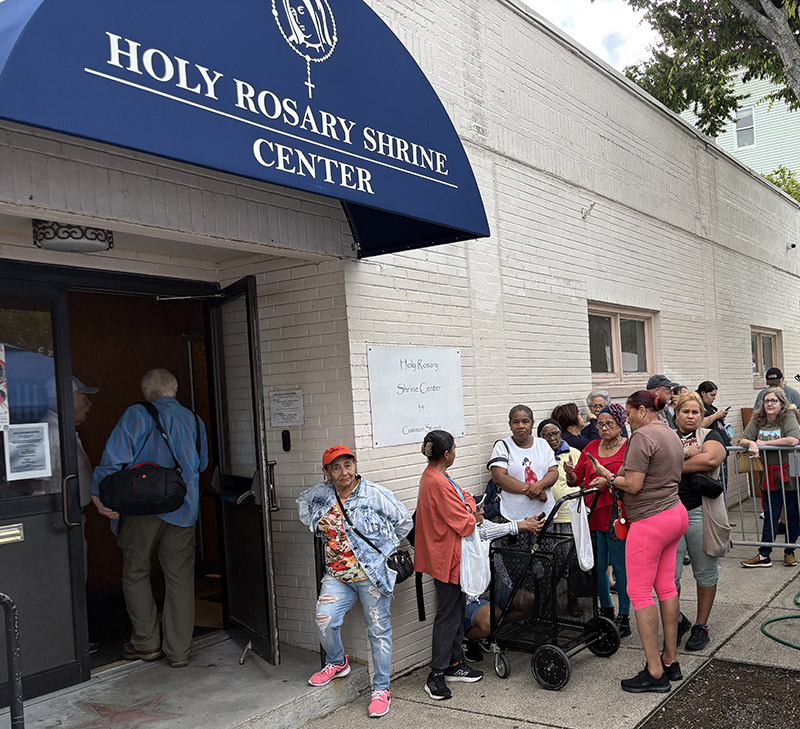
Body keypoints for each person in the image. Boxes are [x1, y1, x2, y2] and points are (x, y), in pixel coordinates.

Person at [91, 368, 208, 669]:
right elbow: (202, 463)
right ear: (175, 389)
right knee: (180, 578)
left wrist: (98, 494)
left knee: (136, 573)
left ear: (145, 393)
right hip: (183, 508)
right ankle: (179, 651)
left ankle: (146, 643)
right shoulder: (194, 420)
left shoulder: (137, 414)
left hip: (139, 509)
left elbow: (114, 458)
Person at [297, 444, 411, 718]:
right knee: (324, 620)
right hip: (337, 576)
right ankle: (337, 662)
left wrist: (382, 548)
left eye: (348, 465)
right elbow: (302, 502)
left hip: (371, 576)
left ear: (355, 465)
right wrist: (315, 524)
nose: (344, 472)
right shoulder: (321, 495)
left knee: (378, 631)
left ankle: (381, 689)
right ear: (327, 473)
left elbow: (404, 521)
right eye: (335, 468)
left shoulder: (375, 494)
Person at [588, 390, 687, 694]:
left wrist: (607, 476)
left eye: (629, 414)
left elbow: (633, 484)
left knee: (640, 593)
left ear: (642, 411)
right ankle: (670, 661)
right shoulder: (670, 433)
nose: (627, 420)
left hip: (650, 522)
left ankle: (655, 672)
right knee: (666, 588)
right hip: (674, 513)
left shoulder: (642, 437)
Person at [414, 430, 484, 701]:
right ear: (446, 454)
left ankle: (454, 663)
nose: (455, 452)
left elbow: (465, 497)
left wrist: (468, 506)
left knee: (455, 611)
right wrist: (473, 513)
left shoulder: (436, 476)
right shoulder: (438, 482)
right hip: (445, 556)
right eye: (454, 448)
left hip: (447, 555)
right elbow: (465, 523)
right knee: (447, 615)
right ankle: (436, 673)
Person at [568, 403, 631, 637]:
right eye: (600, 424)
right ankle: (606, 611)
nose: (603, 428)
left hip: (617, 514)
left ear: (620, 424)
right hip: (593, 513)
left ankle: (624, 616)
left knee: (620, 566)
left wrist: (608, 481)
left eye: (609, 424)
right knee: (598, 566)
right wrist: (569, 472)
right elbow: (576, 479)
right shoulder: (591, 447)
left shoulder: (628, 447)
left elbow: (632, 479)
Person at [672, 391, 729, 651]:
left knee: (705, 571)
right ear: (677, 414)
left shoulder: (711, 435)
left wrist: (671, 463)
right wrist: (685, 452)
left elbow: (711, 459)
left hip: (700, 512)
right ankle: (676, 620)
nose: (691, 416)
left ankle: (701, 625)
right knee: (669, 576)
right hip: (670, 513)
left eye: (695, 412)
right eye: (686, 411)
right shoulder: (667, 437)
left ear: (701, 415)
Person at [739, 388, 800, 568]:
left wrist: (764, 443)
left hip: (790, 471)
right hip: (769, 474)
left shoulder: (788, 416)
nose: (770, 404)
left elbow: (793, 440)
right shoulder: (758, 419)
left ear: (781, 403)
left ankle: (789, 551)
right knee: (770, 513)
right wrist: (751, 443)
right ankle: (764, 554)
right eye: (767, 401)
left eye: (774, 401)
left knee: (792, 512)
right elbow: (743, 439)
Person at [488, 405, 558, 522]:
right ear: (510, 425)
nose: (520, 426)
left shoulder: (542, 444)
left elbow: (553, 472)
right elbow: (499, 477)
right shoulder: (502, 446)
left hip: (544, 514)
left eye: (525, 421)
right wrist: (535, 491)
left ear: (532, 424)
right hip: (514, 517)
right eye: (516, 422)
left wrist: (539, 486)